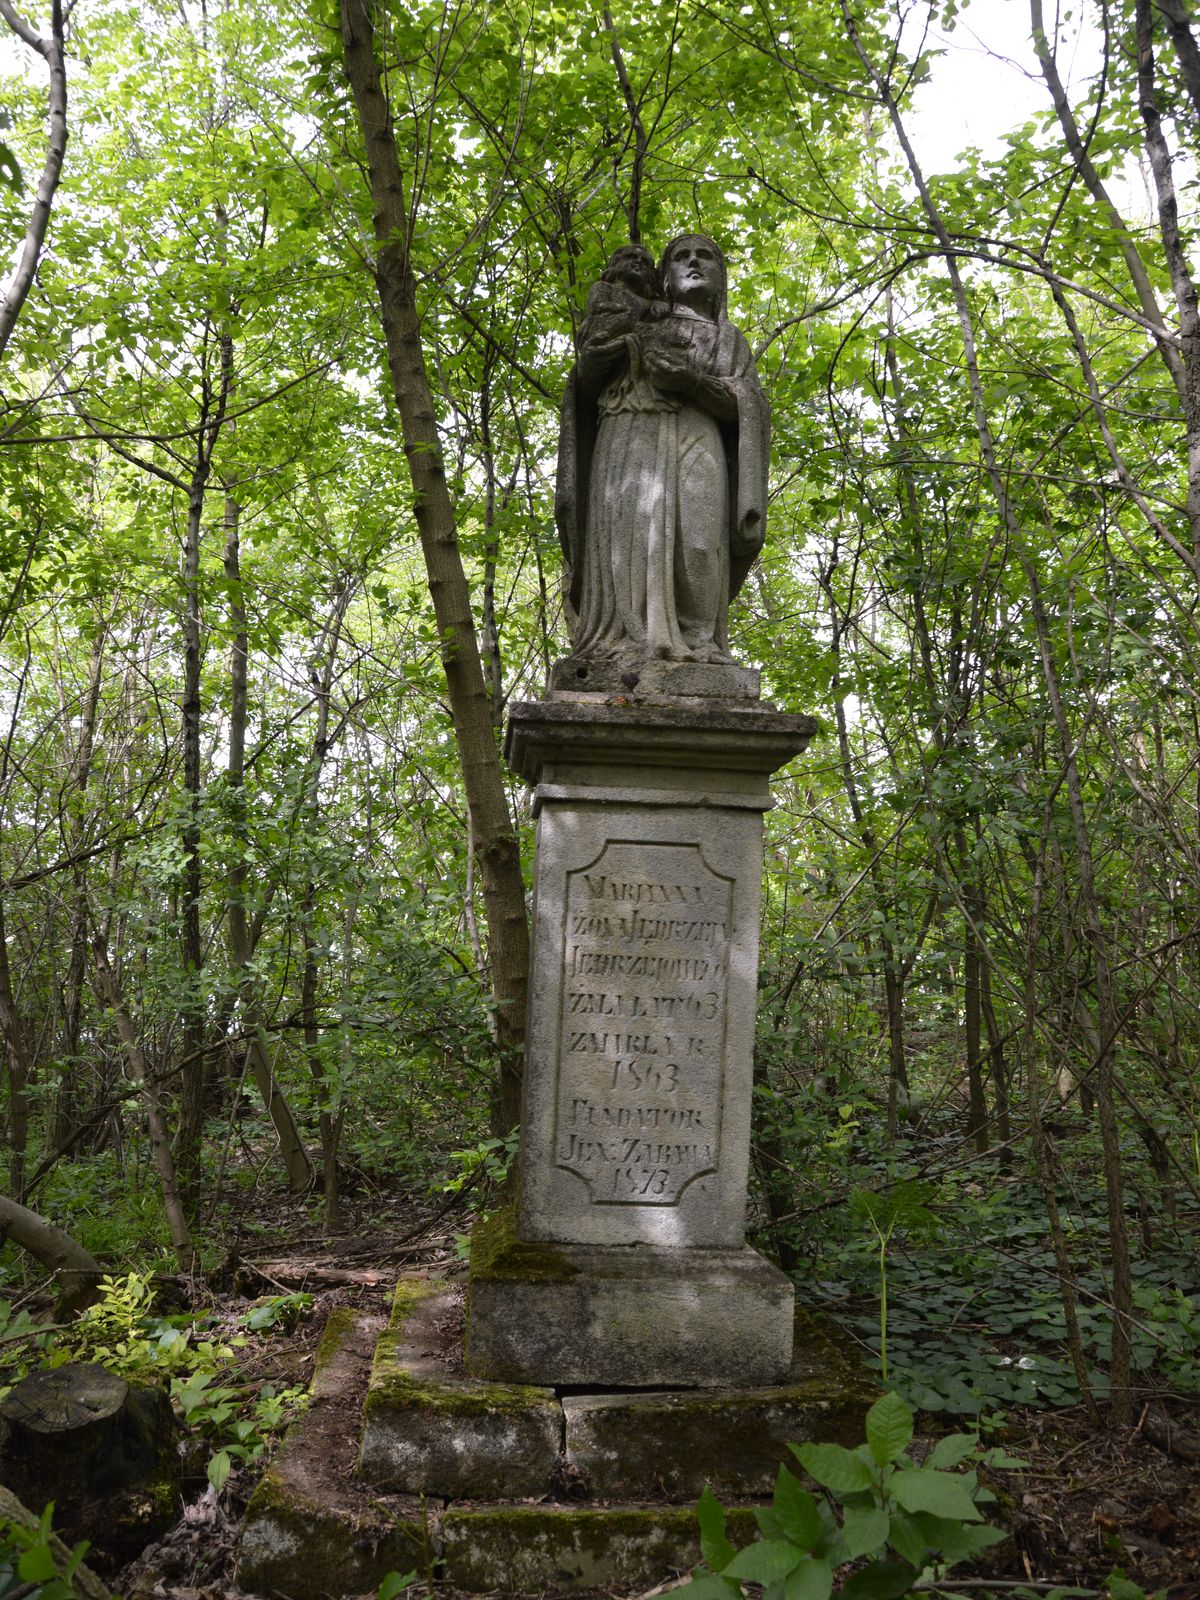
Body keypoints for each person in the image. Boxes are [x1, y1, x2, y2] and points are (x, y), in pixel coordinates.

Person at [556, 232, 769, 666]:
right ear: (665, 276)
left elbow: (748, 405)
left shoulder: (730, 339)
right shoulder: (640, 318)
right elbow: (587, 378)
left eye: (705, 255)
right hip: (629, 434)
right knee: (628, 544)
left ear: (721, 274)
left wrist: (693, 382)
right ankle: (620, 645)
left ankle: (701, 641)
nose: (694, 262)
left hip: (698, 435)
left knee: (699, 541)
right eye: (682, 256)